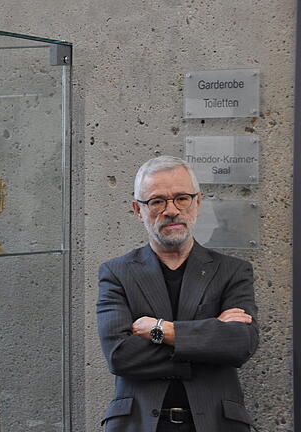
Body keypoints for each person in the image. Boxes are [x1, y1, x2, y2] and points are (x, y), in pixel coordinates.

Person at [96, 156, 258, 432]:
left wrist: (161, 330)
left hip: (217, 424)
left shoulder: (233, 271)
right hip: (138, 424)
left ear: (197, 202)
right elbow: (120, 355)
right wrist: (210, 336)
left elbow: (240, 344)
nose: (171, 210)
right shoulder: (116, 273)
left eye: (181, 198)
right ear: (138, 209)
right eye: (157, 201)